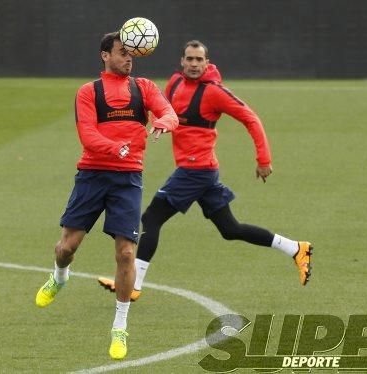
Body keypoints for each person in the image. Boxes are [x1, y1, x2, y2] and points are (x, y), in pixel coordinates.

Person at [98, 40, 312, 302]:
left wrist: (263, 159)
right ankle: (296, 248)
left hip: (195, 171)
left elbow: (250, 118)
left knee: (152, 218)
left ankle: (134, 284)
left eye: (200, 60)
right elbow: (163, 112)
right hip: (201, 172)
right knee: (230, 229)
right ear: (182, 61)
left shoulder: (214, 92)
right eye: (190, 59)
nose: (194, 64)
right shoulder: (174, 83)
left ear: (207, 63)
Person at [34, 31, 178, 360]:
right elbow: (87, 134)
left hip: (127, 180)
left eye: (132, 53)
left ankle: (120, 326)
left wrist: (164, 123)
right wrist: (117, 147)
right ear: (105, 55)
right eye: (122, 52)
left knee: (126, 254)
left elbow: (169, 112)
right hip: (92, 175)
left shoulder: (144, 88)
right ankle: (59, 276)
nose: (129, 58)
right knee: (67, 247)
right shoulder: (89, 92)